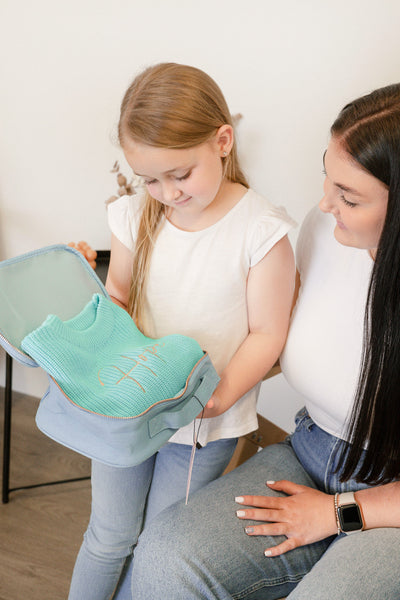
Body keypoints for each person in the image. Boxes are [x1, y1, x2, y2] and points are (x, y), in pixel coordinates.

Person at [129, 82, 400, 600]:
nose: (323, 204)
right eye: (328, 175)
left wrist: (339, 513)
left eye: (349, 196)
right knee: (166, 557)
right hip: (312, 451)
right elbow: (276, 337)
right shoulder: (325, 233)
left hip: (390, 500)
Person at [68, 62, 296, 599]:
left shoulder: (261, 232)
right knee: (109, 537)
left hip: (201, 425)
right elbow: (120, 296)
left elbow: (268, 332)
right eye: (151, 178)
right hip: (129, 411)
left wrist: (217, 398)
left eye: (180, 174)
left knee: (158, 547)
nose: (166, 192)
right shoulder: (133, 215)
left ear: (222, 141)